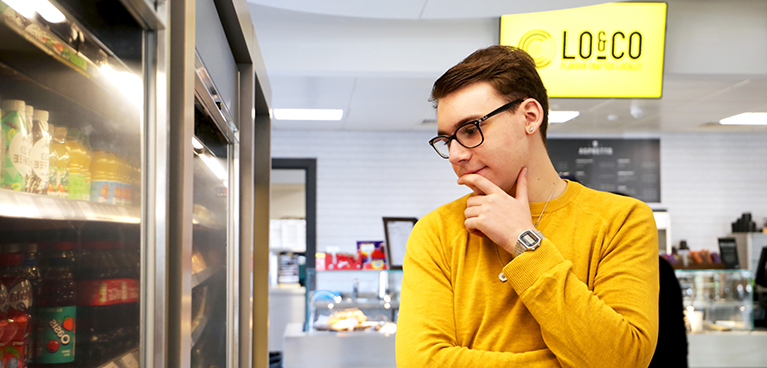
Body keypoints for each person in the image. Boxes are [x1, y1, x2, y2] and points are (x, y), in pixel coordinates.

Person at [395, 45, 659, 367]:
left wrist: (523, 241)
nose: (455, 154)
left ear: (530, 117)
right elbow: (420, 362)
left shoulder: (621, 220)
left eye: (470, 130)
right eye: (447, 140)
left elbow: (622, 360)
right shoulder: (436, 232)